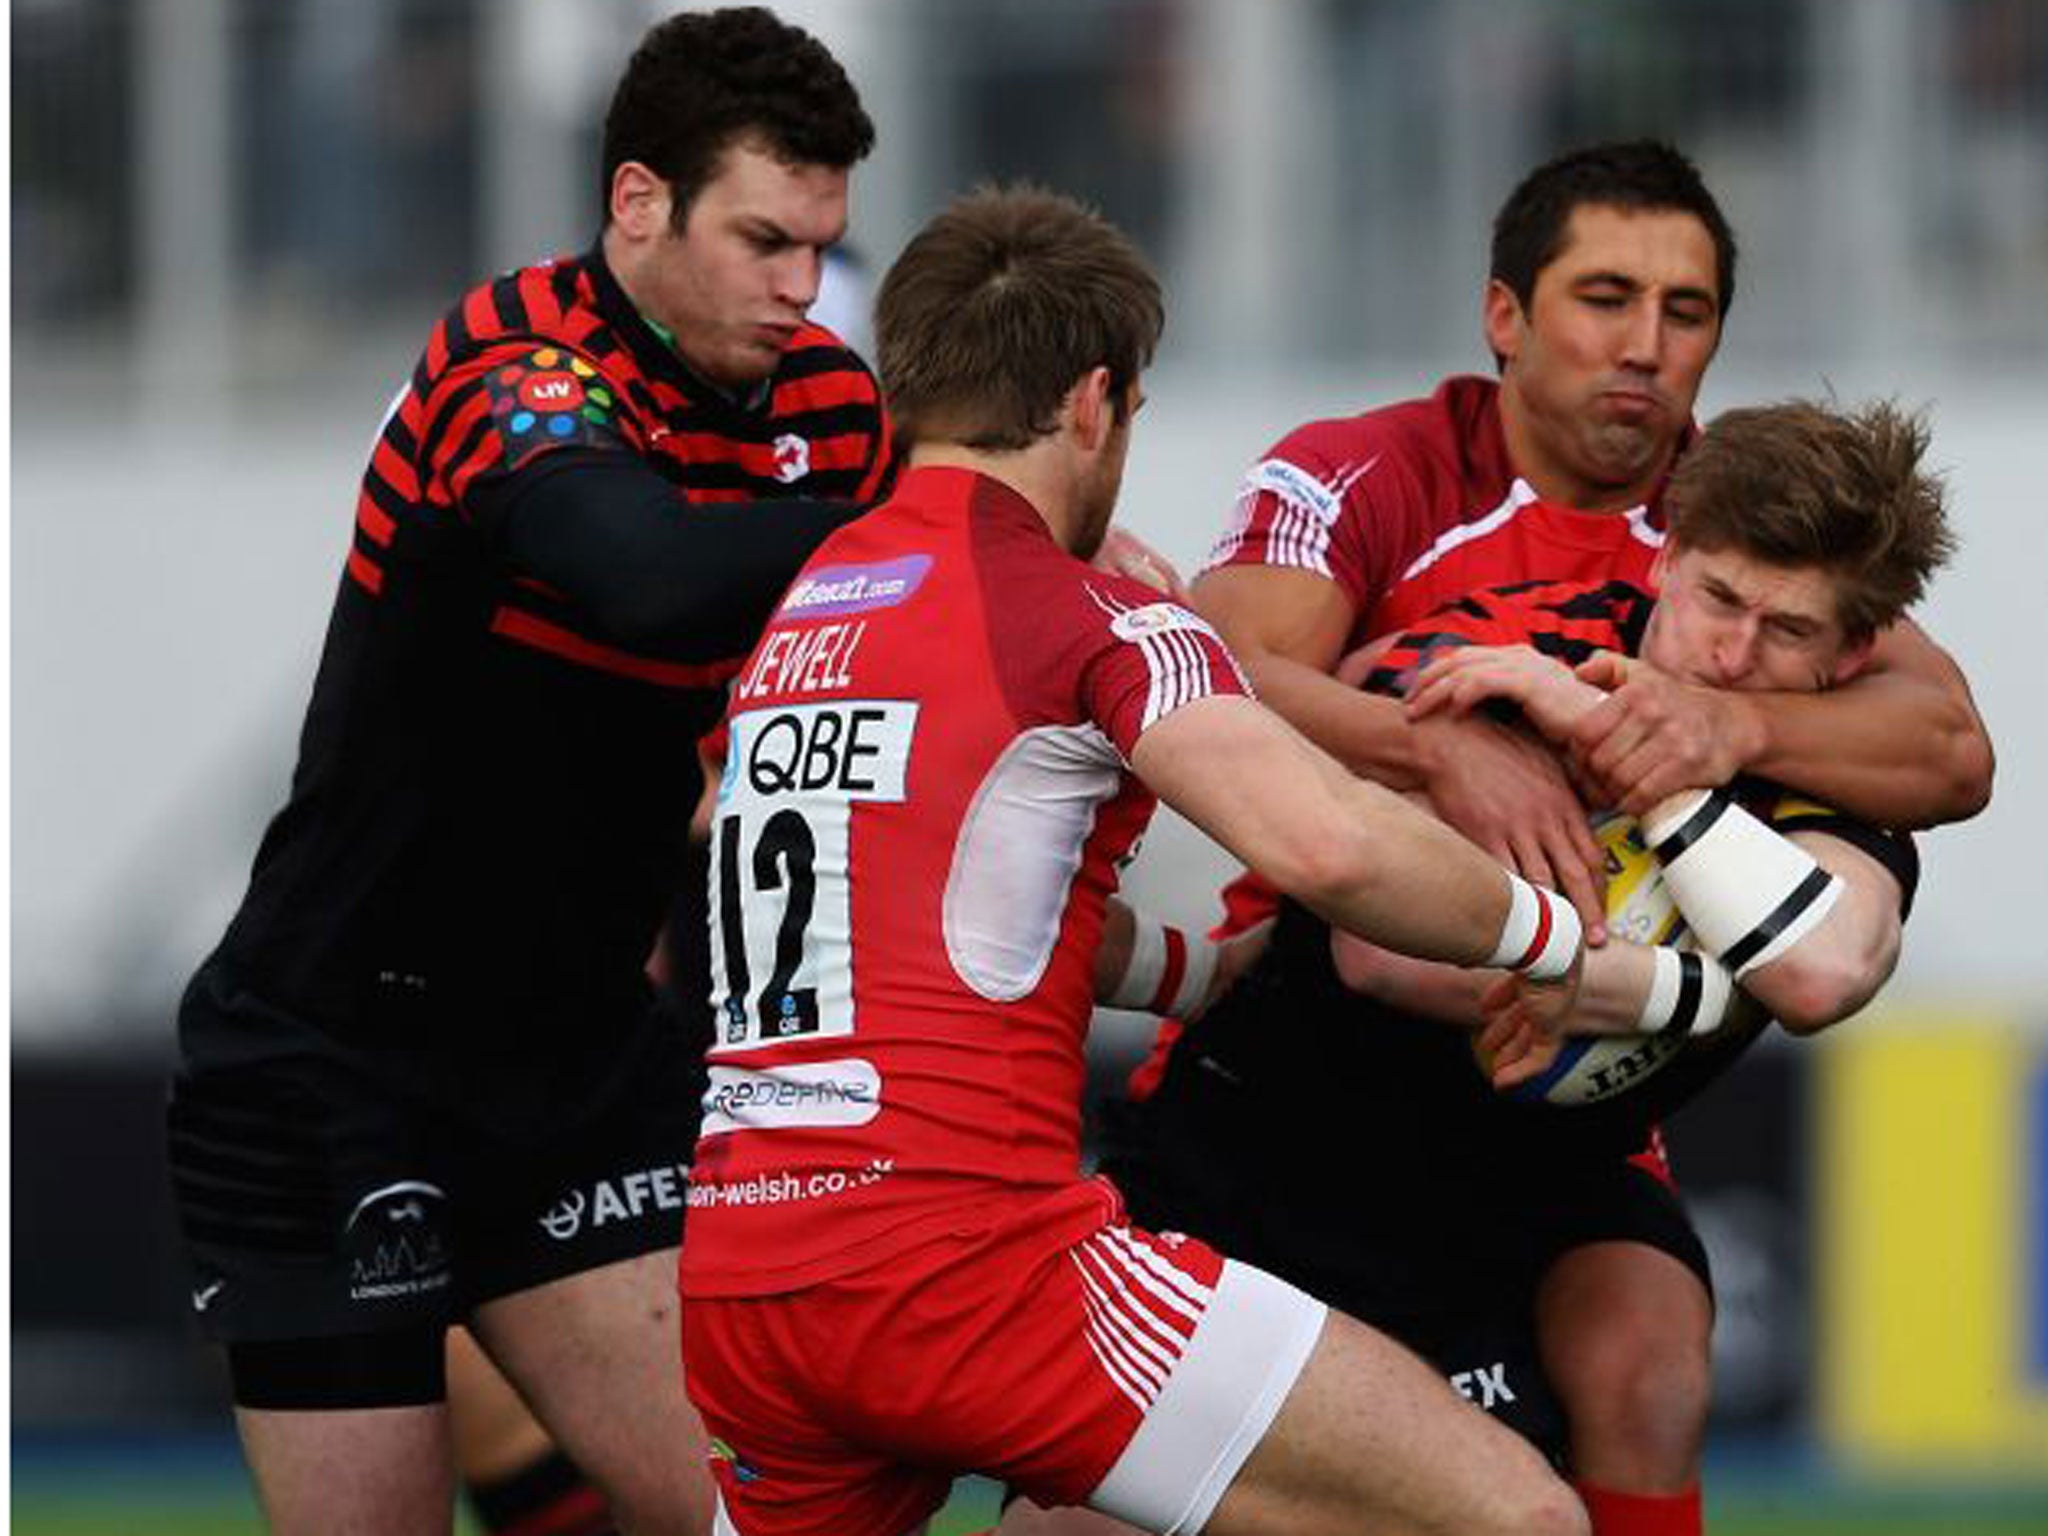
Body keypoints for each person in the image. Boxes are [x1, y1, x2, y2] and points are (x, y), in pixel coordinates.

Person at [1091, 141, 1992, 1536]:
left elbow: (1948, 753)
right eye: (1605, 297)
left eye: (1685, 313)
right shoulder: (1372, 474)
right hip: (1300, 1064)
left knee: (1644, 1356)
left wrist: (1712, 731)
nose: (1643, 348)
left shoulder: (1745, 526)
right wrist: (1443, 747)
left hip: (1559, 1101)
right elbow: (1224, 683)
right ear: (1506, 315)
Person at [679, 183, 1597, 1536]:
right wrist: (1567, 946)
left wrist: (1199, 974)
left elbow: (942, 908)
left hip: (751, 1277)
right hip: (965, 1269)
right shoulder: (1092, 613)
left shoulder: (806, 615)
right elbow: (1331, 843)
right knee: (1516, 1519)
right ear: (1097, 403)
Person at [163, 11, 891, 1535]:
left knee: (756, 1524)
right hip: (329, 1060)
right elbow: (643, 578)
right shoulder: (510, 362)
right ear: (639, 202)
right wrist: (934, 518)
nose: (801, 287)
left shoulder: (831, 411)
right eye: (764, 239)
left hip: (568, 1065)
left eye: (821, 247)